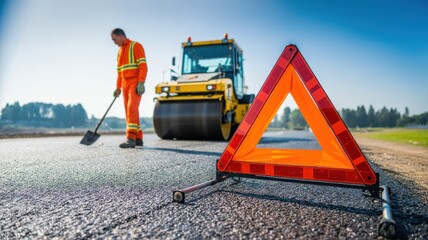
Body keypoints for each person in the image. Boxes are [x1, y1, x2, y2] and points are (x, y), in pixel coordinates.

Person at [111, 28, 148, 148]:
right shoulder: (119, 52)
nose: (114, 42)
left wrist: (141, 82)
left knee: (132, 108)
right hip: (125, 84)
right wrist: (118, 87)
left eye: (114, 39)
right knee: (129, 112)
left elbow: (143, 66)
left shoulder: (136, 46)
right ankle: (138, 138)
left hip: (135, 82)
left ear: (121, 36)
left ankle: (130, 139)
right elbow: (120, 72)